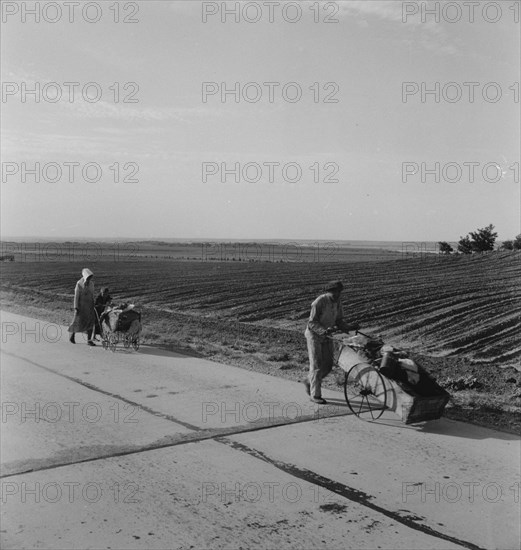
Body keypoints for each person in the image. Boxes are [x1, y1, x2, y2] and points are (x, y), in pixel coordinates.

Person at [304, 280, 359, 404]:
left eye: (339, 292)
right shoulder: (320, 302)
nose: (337, 295)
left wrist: (350, 327)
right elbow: (311, 322)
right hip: (314, 336)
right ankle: (315, 395)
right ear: (329, 292)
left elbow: (339, 321)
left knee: (328, 366)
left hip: (327, 335)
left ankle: (309, 382)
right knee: (317, 365)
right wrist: (323, 331)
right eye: (334, 292)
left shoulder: (337, 302)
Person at [68, 268, 96, 346]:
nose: (90, 279)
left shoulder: (91, 284)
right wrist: (76, 307)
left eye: (91, 277)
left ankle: (89, 340)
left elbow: (92, 295)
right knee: (77, 322)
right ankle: (72, 336)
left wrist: (93, 304)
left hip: (89, 306)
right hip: (81, 306)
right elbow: (76, 296)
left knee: (90, 322)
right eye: (89, 277)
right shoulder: (79, 284)